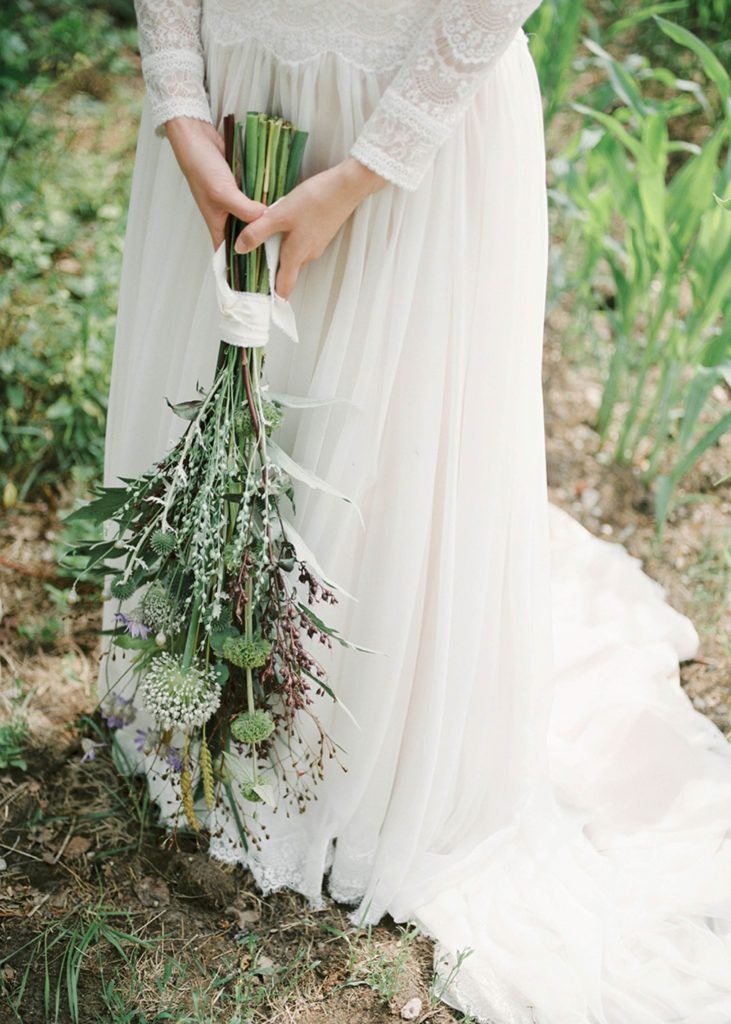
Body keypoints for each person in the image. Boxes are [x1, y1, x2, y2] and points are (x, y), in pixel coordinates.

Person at [98, 1, 731, 1020]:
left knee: (379, 433)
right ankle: (202, 685)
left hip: (407, 104)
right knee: (233, 405)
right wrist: (181, 103)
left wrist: (364, 172)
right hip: (232, 86)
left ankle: (354, 734)